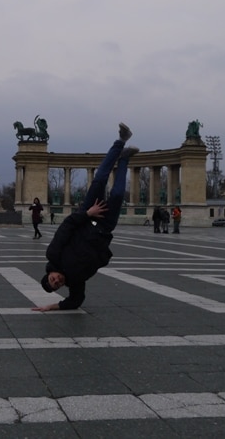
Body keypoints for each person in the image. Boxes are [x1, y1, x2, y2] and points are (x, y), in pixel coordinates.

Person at [33, 123, 138, 311]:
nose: (57, 280)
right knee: (117, 195)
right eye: (57, 284)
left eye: (52, 279)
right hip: (103, 228)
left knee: (99, 179)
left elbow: (66, 226)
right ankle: (123, 160)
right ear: (61, 286)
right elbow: (76, 301)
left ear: (50, 273)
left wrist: (88, 213)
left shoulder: (53, 255)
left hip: (89, 216)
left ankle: (120, 141)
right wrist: (51, 306)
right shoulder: (75, 281)